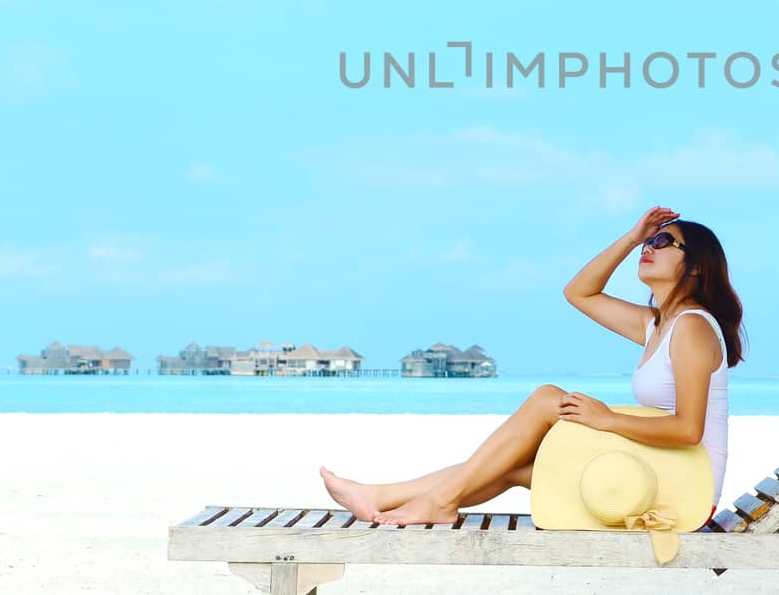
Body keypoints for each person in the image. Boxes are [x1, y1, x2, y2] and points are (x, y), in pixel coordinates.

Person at [319, 205, 746, 525]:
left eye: (662, 242)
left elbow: (688, 430)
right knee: (520, 464)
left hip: (687, 487)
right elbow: (579, 292)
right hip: (660, 471)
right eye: (649, 242)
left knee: (546, 400)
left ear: (694, 267)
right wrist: (631, 238)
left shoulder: (691, 328)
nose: (650, 248)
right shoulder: (660, 324)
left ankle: (434, 501)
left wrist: (605, 419)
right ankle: (384, 495)